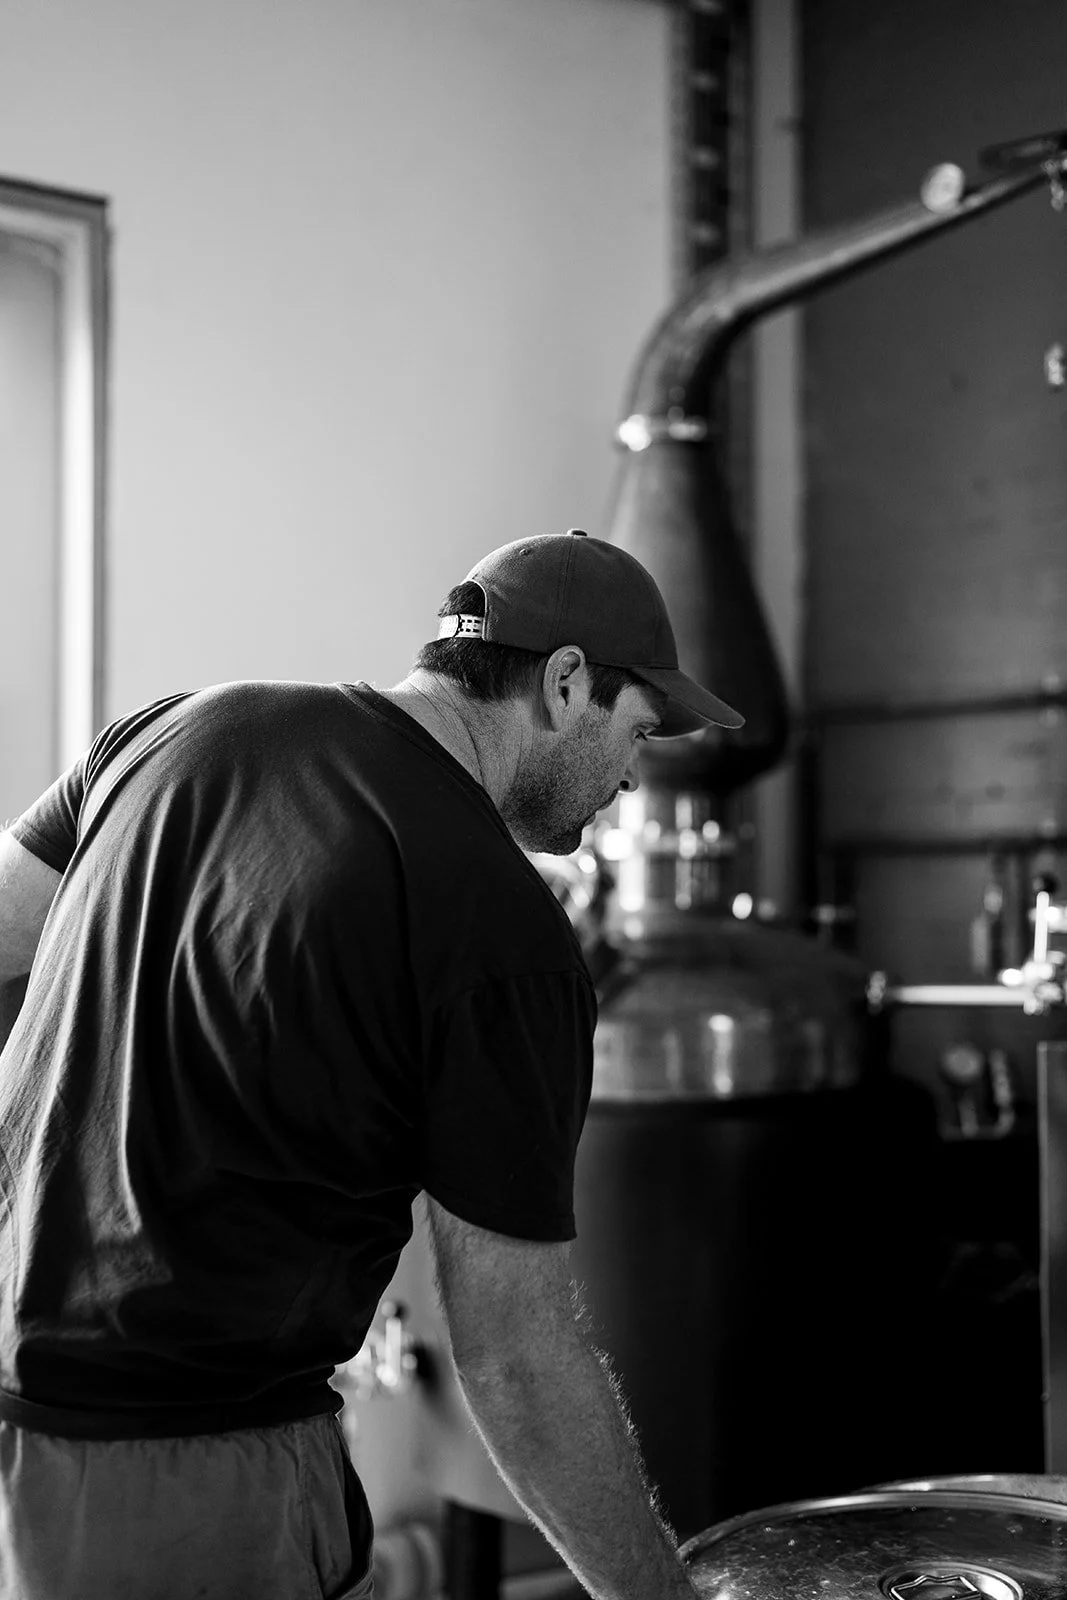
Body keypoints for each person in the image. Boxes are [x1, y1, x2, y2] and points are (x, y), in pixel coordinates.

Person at [0, 528, 744, 1600]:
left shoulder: (169, 733)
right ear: (567, 682)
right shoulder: (499, 930)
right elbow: (520, 1366)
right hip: (181, 1475)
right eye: (641, 728)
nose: (633, 777)